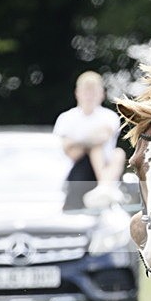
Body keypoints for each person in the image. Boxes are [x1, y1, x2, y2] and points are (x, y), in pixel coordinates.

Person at [53, 71, 126, 210]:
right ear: (77, 93)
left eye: (93, 92)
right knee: (95, 148)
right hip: (76, 173)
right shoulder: (66, 117)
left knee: (117, 153)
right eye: (86, 92)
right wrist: (91, 140)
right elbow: (70, 152)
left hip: (104, 167)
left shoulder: (109, 116)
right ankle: (103, 188)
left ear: (102, 94)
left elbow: (103, 137)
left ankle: (104, 188)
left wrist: (78, 141)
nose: (89, 96)